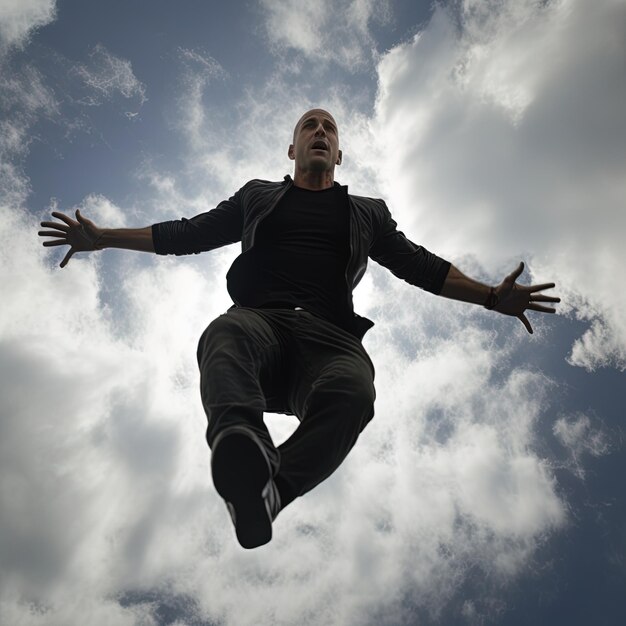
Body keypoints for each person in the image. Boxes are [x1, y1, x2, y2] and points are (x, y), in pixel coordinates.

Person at [39, 108, 560, 549]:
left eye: (329, 130)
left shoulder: (367, 213)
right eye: (309, 127)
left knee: (355, 391)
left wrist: (492, 296)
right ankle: (242, 437)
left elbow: (420, 266)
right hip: (261, 321)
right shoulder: (257, 196)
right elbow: (188, 234)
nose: (319, 132)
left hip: (330, 340)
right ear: (291, 149)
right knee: (224, 337)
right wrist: (103, 236)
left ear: (339, 154)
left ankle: (270, 492)